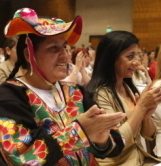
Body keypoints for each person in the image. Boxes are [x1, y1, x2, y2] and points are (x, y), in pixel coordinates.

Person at [0, 8, 126, 165]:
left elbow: (115, 143)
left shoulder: (75, 91)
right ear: (28, 55)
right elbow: (19, 156)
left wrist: (102, 139)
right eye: (54, 48)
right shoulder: (9, 95)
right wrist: (78, 133)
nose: (66, 56)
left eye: (65, 47)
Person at [86, 30, 161, 166]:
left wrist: (147, 115)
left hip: (139, 158)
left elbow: (149, 135)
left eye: (138, 56)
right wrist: (141, 108)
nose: (137, 63)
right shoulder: (100, 94)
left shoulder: (128, 86)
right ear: (111, 59)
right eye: (130, 57)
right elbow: (116, 143)